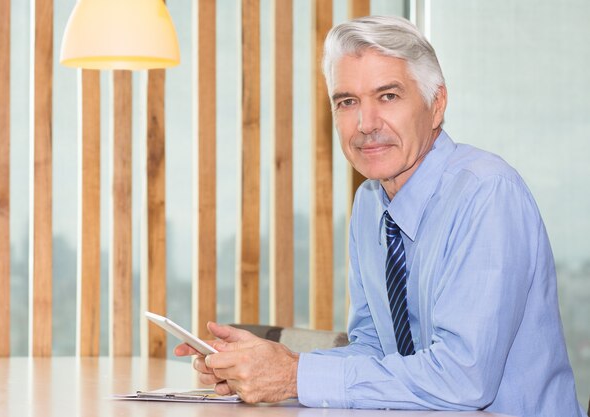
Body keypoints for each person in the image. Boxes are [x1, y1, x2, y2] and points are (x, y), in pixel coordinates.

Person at [176, 15, 585, 416]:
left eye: (388, 96)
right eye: (347, 102)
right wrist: (263, 365)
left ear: (436, 103)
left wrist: (294, 375)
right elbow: (374, 349)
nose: (365, 124)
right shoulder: (371, 204)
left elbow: (464, 378)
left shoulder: (487, 194)